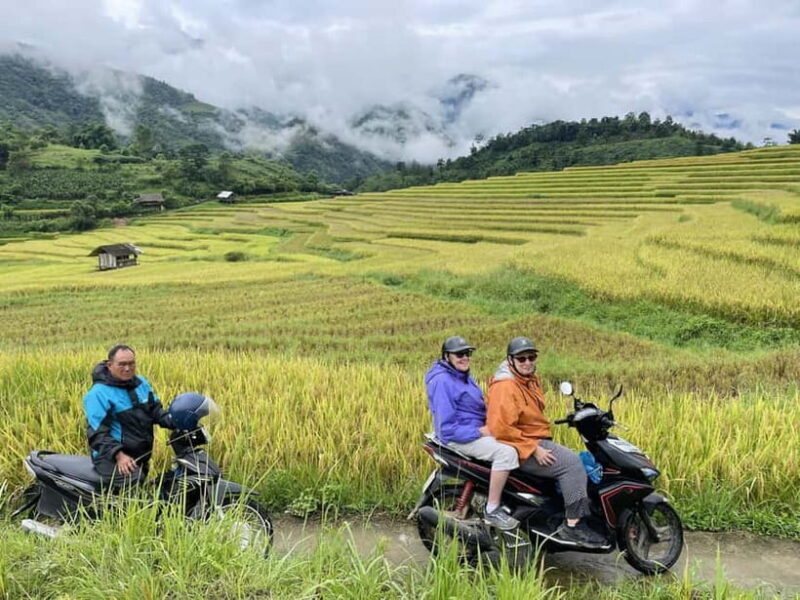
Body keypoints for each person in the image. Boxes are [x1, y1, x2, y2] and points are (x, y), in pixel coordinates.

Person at [487, 336, 604, 547]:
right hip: (521, 445)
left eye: (531, 357)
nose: (527, 362)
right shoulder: (506, 386)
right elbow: (501, 428)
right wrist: (534, 449)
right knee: (572, 465)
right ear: (510, 360)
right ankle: (573, 526)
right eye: (521, 359)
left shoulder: (529, 379)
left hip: (533, 439)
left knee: (572, 457)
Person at [425, 335, 520, 530]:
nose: (465, 357)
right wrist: (480, 431)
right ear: (446, 356)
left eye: (467, 353)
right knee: (506, 452)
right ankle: (492, 509)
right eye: (459, 354)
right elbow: (447, 427)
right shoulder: (442, 381)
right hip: (458, 436)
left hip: (474, 429)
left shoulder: (463, 375)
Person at [83, 344, 174, 484]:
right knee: (135, 485)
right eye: (122, 364)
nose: (127, 368)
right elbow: (97, 434)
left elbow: (155, 411)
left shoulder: (141, 383)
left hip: (139, 455)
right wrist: (119, 455)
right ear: (109, 365)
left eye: (131, 363)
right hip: (111, 457)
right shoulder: (98, 394)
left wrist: (177, 420)